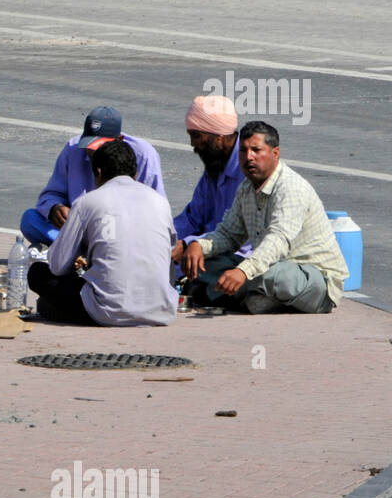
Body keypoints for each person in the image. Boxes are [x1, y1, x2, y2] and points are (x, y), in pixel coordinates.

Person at [182, 121, 348, 314]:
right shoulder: (246, 189)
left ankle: (240, 296)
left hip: (313, 280)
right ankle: (254, 298)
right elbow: (228, 234)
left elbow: (278, 240)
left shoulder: (291, 188)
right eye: (243, 151)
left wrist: (243, 271)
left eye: (256, 150)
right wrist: (198, 246)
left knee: (275, 276)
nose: (248, 157)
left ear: (275, 153)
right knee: (206, 263)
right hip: (268, 269)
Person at [27, 139, 177, 326]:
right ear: (136, 173)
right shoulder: (160, 202)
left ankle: (58, 309)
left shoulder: (87, 202)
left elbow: (58, 266)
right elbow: (169, 251)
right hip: (161, 310)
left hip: (107, 310)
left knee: (37, 273)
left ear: (97, 172)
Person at [21, 106, 165, 245]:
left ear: (119, 140)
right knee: (30, 220)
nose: (93, 152)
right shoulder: (73, 148)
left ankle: (76, 249)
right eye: (89, 146)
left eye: (99, 147)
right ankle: (81, 249)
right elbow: (51, 194)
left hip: (119, 231)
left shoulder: (144, 155)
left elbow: (156, 209)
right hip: (80, 230)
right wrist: (55, 208)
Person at [171, 94, 249, 270]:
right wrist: (163, 238)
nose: (193, 144)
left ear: (218, 137)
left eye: (196, 136)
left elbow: (240, 240)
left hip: (236, 259)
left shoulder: (249, 172)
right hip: (204, 247)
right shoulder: (215, 166)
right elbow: (192, 218)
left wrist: (190, 243)